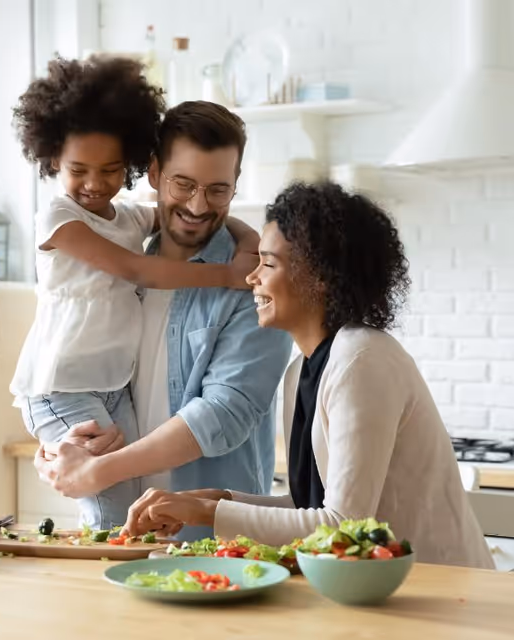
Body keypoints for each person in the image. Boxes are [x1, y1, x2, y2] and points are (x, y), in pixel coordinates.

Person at [121, 181, 495, 569]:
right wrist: (216, 501)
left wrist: (205, 512)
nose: (252, 277)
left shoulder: (362, 360)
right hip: (378, 592)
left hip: (442, 594)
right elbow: (310, 509)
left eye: (268, 263)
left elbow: (342, 527)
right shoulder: (300, 370)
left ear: (318, 274)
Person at [9, 57, 264, 531]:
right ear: (153, 173)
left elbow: (222, 415)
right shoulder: (106, 243)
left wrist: (251, 244)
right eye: (183, 184)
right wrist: (60, 456)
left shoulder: (254, 284)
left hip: (207, 537)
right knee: (106, 524)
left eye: (217, 190)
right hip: (71, 404)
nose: (197, 204)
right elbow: (133, 272)